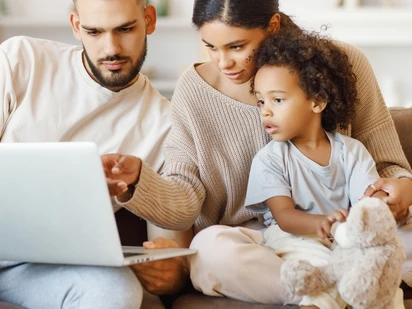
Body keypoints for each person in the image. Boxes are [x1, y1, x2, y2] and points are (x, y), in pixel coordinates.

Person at [103, 0, 412, 305]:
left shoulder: (342, 64)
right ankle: (348, 285)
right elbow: (186, 198)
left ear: (272, 26)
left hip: (346, 230)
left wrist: (399, 188)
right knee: (209, 251)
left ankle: (334, 285)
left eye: (237, 47)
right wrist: (139, 181)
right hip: (264, 246)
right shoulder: (193, 91)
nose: (223, 63)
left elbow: (388, 165)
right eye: (211, 47)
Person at [0, 0, 182, 308]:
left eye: (125, 29)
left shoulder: (167, 124)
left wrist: (174, 275)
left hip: (42, 268)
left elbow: (171, 243)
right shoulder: (21, 59)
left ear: (149, 20)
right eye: (94, 31)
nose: (111, 48)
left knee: (117, 292)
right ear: (75, 26)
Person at [244, 29, 405, 309]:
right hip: (295, 237)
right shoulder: (269, 159)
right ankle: (318, 302)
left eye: (277, 100)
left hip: (342, 235)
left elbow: (367, 200)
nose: (265, 111)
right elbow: (284, 217)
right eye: (261, 100)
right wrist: (322, 222)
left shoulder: (351, 151)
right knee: (319, 264)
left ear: (317, 101)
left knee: (375, 264)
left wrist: (376, 207)